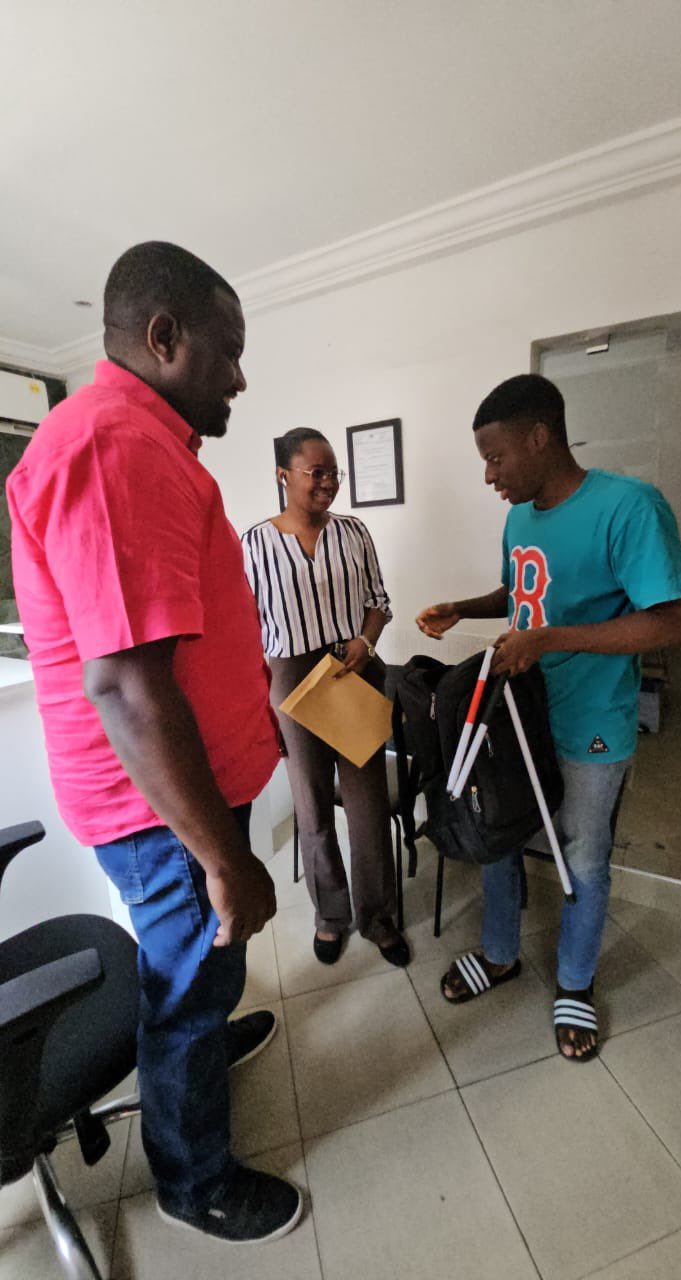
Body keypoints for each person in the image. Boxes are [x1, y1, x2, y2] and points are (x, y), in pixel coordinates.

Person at [6, 242, 303, 1243]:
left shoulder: (137, 439)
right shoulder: (112, 446)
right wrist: (224, 855)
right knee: (186, 985)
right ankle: (194, 1176)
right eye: (227, 350)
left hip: (182, 797)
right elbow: (129, 689)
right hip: (164, 812)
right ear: (164, 337)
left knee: (203, 972)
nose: (239, 375)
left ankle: (210, 1038)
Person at [416, 373, 681, 1062]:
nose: (489, 475)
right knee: (501, 829)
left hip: (593, 719)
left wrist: (552, 640)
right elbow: (521, 592)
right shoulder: (519, 516)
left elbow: (676, 622)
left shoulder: (629, 507)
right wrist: (466, 607)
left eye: (496, 457)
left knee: (584, 853)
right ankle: (502, 952)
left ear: (539, 438)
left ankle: (575, 982)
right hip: (521, 714)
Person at [242, 428, 409, 967]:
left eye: (335, 471)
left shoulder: (354, 532)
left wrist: (365, 640)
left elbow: (379, 601)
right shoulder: (254, 544)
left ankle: (378, 917)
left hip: (349, 670)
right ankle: (330, 916)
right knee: (311, 807)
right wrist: (262, 705)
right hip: (289, 680)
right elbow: (248, 629)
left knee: (367, 809)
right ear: (282, 476)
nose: (329, 482)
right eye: (316, 472)